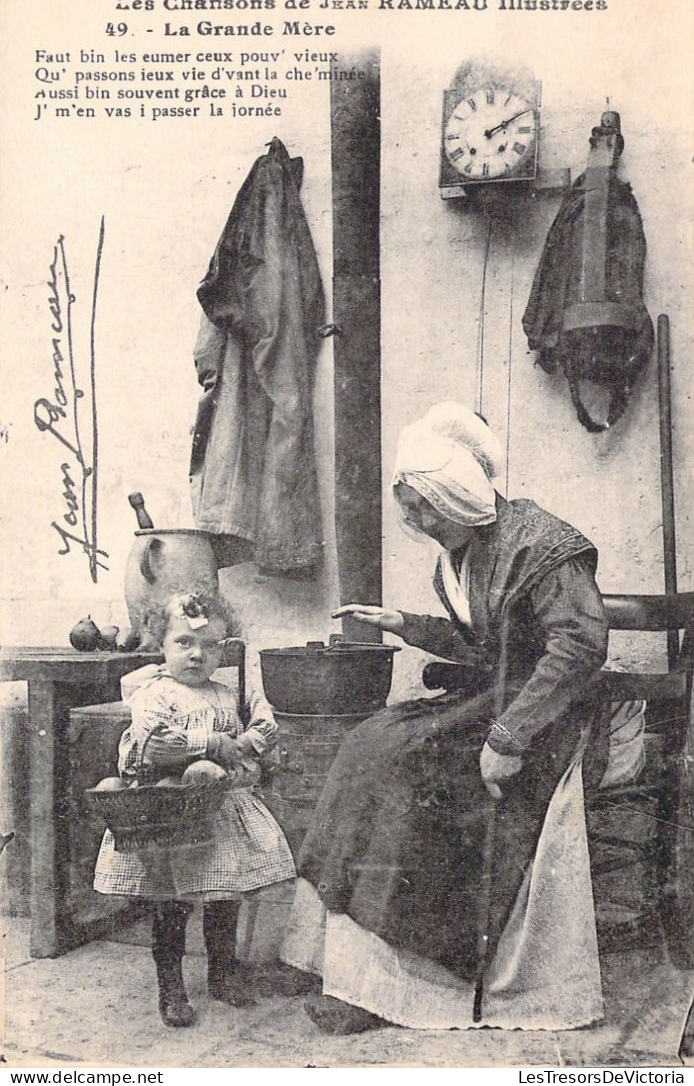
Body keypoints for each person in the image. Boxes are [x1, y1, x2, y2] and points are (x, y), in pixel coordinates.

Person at [280, 402, 610, 1033]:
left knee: (408, 775)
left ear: (456, 497)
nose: (416, 523)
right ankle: (343, 964)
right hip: (498, 701)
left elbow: (580, 648)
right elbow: (488, 647)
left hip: (547, 717)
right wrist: (407, 625)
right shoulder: (463, 553)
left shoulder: (544, 545)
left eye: (423, 509)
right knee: (367, 747)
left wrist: (509, 737)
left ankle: (401, 989)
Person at [93, 592, 296, 1027]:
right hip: (172, 815)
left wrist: (245, 741)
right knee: (173, 903)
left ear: (224, 649)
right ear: (161, 645)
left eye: (211, 645)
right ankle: (171, 988)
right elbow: (153, 740)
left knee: (223, 895)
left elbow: (266, 723)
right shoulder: (155, 694)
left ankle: (221, 973)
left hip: (221, 813)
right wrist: (211, 743)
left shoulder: (230, 692)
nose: (197, 654)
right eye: (184, 642)